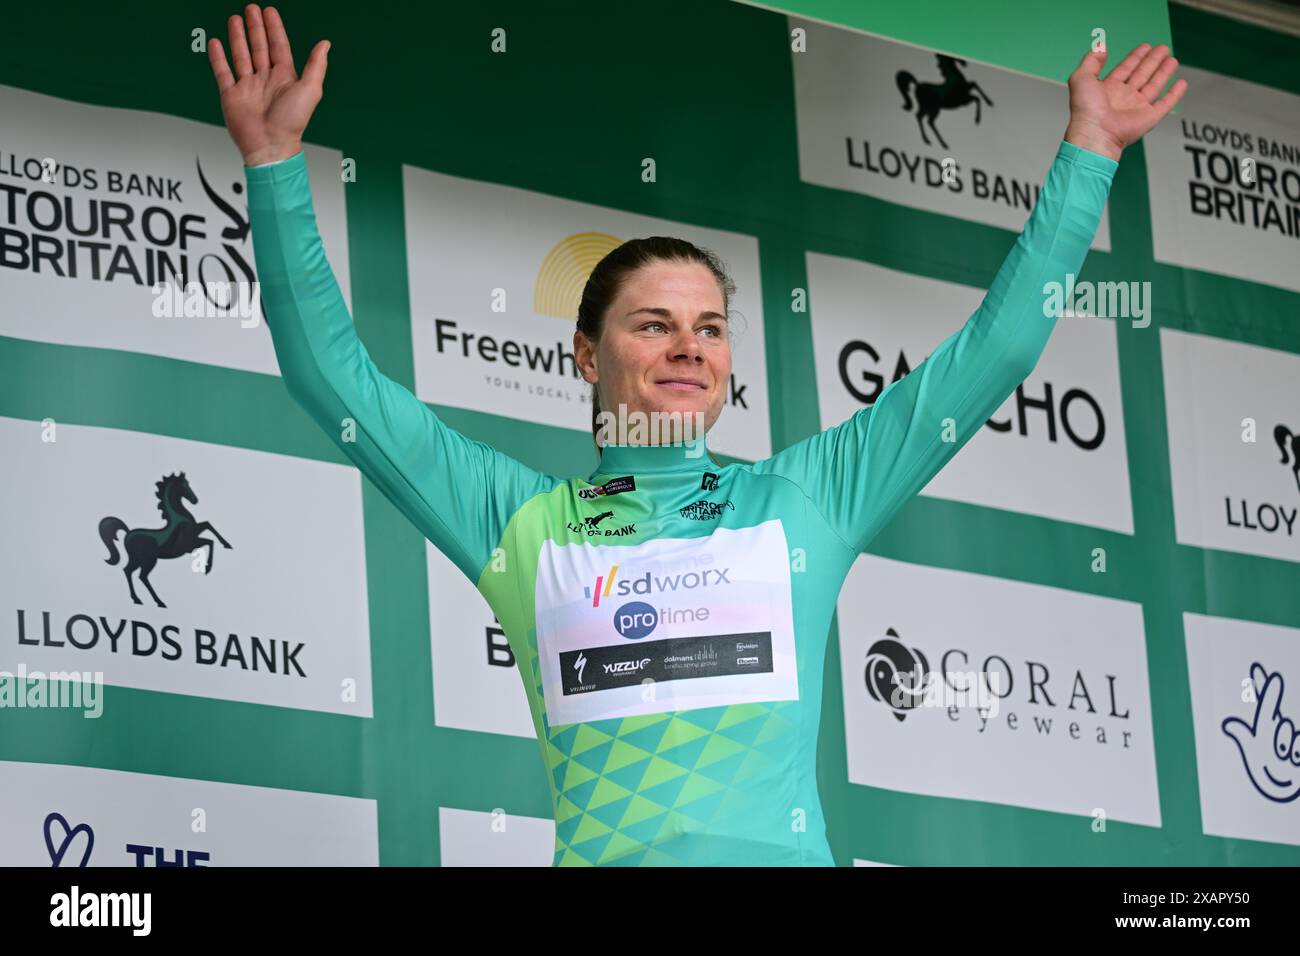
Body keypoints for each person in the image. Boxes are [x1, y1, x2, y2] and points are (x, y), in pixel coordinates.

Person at [208, 4, 1186, 866]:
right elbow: (328, 376)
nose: (688, 346)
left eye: (709, 327)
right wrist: (272, 163)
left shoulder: (806, 497)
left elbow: (996, 352)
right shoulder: (525, 526)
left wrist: (1087, 151)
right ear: (587, 357)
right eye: (653, 322)